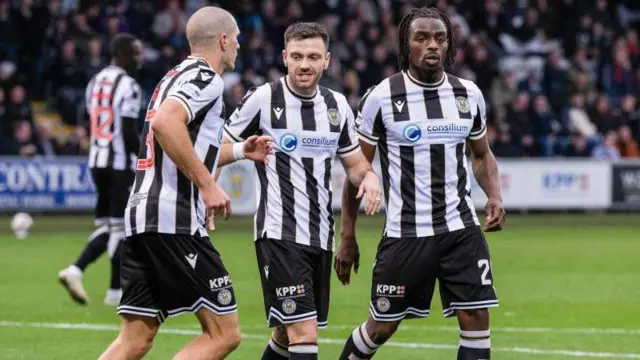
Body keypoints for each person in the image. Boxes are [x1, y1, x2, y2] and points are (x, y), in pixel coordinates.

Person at [98, 7, 272, 360]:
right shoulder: (208, 78)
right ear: (223, 40)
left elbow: (183, 145)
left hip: (143, 216)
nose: (239, 46)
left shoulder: (173, 77)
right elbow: (165, 124)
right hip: (172, 218)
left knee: (135, 340)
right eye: (236, 39)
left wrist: (239, 150)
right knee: (224, 334)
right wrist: (207, 186)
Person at [335, 7, 506, 360]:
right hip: (406, 234)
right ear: (405, 44)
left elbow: (481, 155)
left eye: (440, 39)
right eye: (422, 38)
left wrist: (495, 196)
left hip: (461, 229)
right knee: (382, 326)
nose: (432, 46)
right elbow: (357, 168)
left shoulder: (468, 94)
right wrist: (348, 235)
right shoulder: (381, 98)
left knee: (476, 320)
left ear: (450, 45)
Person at [222, 22, 382, 360]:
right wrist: (227, 166)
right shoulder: (264, 99)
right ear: (284, 57)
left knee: (285, 332)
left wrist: (368, 178)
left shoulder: (336, 105)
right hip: (279, 234)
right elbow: (216, 147)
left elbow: (354, 164)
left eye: (312, 57)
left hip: (319, 236)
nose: (304, 64)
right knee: (304, 332)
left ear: (327, 60)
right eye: (296, 56)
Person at [58, 33, 144, 306]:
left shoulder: (95, 81)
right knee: (122, 228)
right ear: (122, 54)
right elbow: (129, 131)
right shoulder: (129, 85)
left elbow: (86, 118)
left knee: (110, 225)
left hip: (97, 160)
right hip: (119, 164)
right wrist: (144, 159)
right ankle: (113, 291)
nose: (139, 59)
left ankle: (78, 271)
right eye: (136, 53)